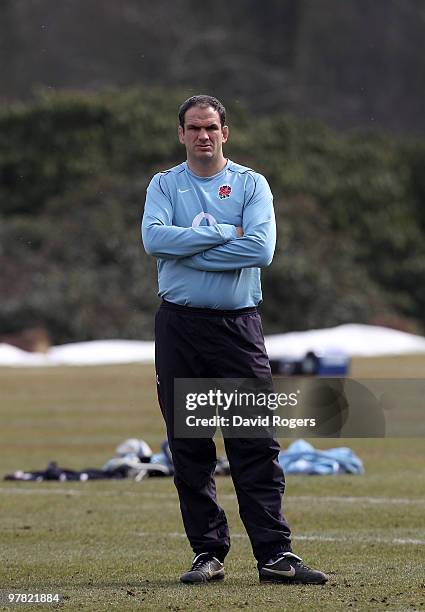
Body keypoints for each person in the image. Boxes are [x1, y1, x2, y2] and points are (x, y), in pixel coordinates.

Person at [141, 94, 328, 586]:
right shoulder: (164, 185)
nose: (203, 135)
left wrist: (192, 247)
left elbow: (261, 249)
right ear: (181, 134)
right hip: (179, 327)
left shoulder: (251, 184)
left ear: (226, 132)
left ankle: (275, 555)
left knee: (253, 443)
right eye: (193, 128)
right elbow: (155, 240)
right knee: (189, 444)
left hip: (237, 328)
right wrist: (227, 235)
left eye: (211, 127)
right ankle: (207, 553)